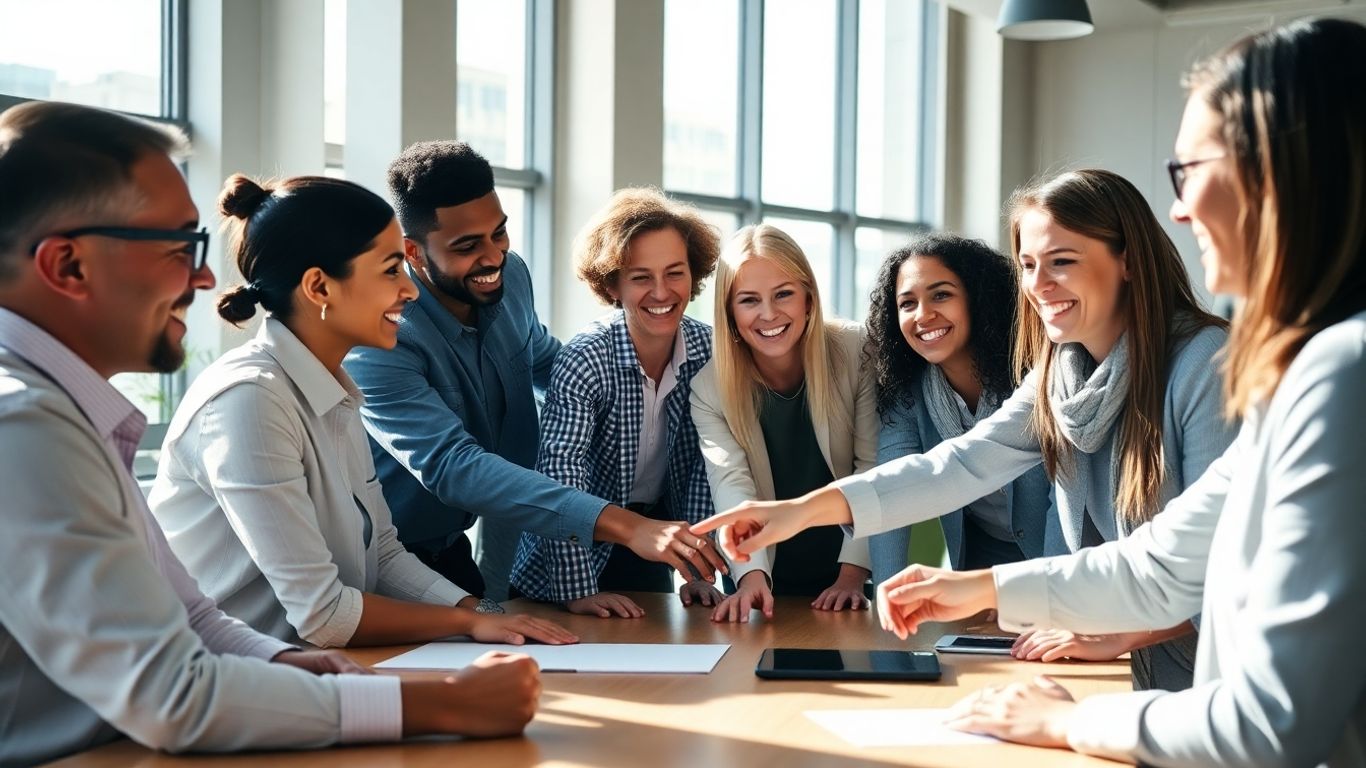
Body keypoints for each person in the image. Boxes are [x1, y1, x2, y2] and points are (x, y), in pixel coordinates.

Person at [860, 18, 1366, 766]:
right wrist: (975, 588)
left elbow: (1269, 724)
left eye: (1190, 171)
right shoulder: (1302, 372)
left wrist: (1070, 723)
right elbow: (1159, 565)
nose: (1182, 208)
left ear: (1283, 171)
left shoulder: (1339, 373)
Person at [0, 102, 539, 766]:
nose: (203, 278)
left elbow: (195, 620)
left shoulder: (66, 414)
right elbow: (175, 695)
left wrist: (305, 667)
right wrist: (437, 704)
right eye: (178, 247)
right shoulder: (22, 425)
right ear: (68, 266)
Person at [696, 168, 1235, 690]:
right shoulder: (1059, 374)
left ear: (1129, 261)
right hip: (1138, 665)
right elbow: (959, 465)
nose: (1039, 286)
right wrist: (796, 513)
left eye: (1062, 262)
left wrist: (1115, 632)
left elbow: (1214, 571)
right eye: (1027, 265)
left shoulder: (1205, 364)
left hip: (1217, 669)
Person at [149, 173, 578, 649]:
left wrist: (485, 613)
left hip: (311, 670)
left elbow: (386, 556)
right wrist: (469, 623)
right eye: (390, 270)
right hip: (233, 685)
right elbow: (325, 614)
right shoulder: (248, 402)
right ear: (319, 287)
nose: (410, 290)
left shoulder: (336, 389)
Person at [345, 142, 725, 601]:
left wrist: (604, 384)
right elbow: (451, 466)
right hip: (381, 559)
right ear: (415, 252)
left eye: (498, 234)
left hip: (453, 545)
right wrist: (625, 524)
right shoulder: (381, 336)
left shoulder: (511, 278)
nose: (492, 258)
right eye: (467, 246)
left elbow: (545, 360)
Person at [510, 189, 723, 617]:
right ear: (612, 284)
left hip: (651, 548)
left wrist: (699, 573)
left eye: (675, 273)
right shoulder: (585, 358)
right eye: (641, 276)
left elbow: (708, 465)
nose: (661, 292)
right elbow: (561, 475)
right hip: (565, 557)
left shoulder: (709, 352)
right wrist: (577, 591)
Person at [691, 224, 877, 623]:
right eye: (748, 300)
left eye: (784, 294)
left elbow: (874, 467)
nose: (769, 314)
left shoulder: (856, 350)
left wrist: (852, 575)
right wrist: (750, 576)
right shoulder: (709, 388)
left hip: (854, 574)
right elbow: (731, 483)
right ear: (729, 312)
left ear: (808, 298)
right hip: (764, 576)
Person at [864, 233, 1054, 586]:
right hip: (982, 563)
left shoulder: (1035, 375)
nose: (923, 315)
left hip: (1062, 559)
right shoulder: (906, 391)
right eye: (907, 303)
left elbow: (1066, 497)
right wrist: (885, 602)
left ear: (978, 299)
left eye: (941, 295)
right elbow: (891, 490)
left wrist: (1058, 600)